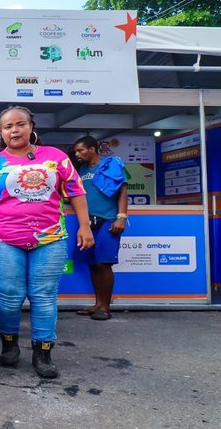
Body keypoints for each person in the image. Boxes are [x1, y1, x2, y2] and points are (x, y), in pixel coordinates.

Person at [0, 106, 95, 378]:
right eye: (8, 127)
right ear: (1, 132)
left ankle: (43, 352)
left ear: (31, 126)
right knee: (8, 296)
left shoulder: (56, 157)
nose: (14, 130)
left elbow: (76, 192)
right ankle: (9, 344)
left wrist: (85, 226)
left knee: (44, 295)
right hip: (3, 239)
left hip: (50, 238)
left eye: (20, 124)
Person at [72, 136, 128, 321]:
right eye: (75, 151)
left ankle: (105, 307)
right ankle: (97, 303)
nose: (77, 154)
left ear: (92, 149)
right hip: (88, 223)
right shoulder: (81, 170)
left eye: (80, 150)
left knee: (104, 264)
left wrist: (121, 217)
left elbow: (122, 191)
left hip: (108, 220)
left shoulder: (110, 165)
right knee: (93, 264)